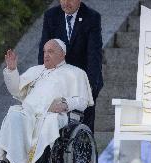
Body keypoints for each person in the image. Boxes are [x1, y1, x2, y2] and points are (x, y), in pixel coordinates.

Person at [0, 39, 94, 163]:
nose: (46, 55)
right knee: (13, 115)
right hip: (29, 114)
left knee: (49, 122)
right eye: (45, 51)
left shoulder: (75, 73)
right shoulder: (36, 70)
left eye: (51, 51)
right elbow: (15, 90)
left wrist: (65, 104)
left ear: (62, 54)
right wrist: (12, 70)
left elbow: (83, 101)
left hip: (56, 114)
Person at [38, 0, 103, 133]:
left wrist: (89, 86)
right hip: (58, 80)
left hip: (83, 80)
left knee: (83, 128)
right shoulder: (51, 16)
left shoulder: (92, 17)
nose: (66, 2)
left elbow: (94, 55)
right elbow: (43, 52)